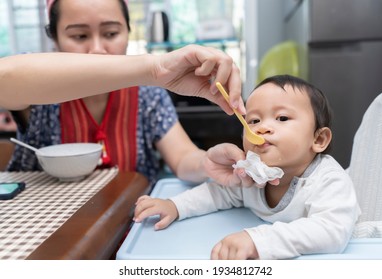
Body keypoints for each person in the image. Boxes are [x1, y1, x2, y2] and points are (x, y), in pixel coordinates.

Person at [2, 0, 245, 186]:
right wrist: (153, 68)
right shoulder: (39, 94)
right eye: (79, 36)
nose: (97, 50)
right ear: (54, 39)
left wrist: (207, 163)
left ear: (128, 32)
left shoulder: (147, 96)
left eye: (110, 34)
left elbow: (182, 157)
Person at [133, 75, 361, 260]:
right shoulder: (251, 173)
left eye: (281, 118)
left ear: (319, 139)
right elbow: (218, 193)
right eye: (253, 121)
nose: (262, 128)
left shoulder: (330, 181)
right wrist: (175, 205)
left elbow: (331, 232)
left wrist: (257, 241)